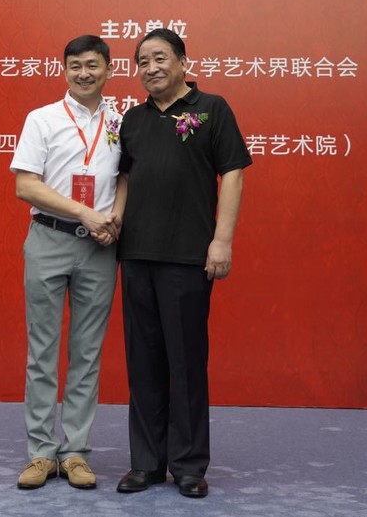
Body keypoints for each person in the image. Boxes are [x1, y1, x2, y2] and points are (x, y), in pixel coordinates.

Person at [113, 28, 251, 499]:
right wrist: (115, 222)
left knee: (186, 363)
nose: (150, 68)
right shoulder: (132, 119)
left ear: (183, 62)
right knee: (143, 362)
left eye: (160, 58)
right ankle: (146, 463)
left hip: (188, 257)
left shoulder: (212, 108)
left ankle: (189, 465)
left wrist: (222, 240)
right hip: (135, 255)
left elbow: (232, 174)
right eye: (142, 61)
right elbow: (124, 179)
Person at [9, 35, 124, 491]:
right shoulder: (42, 118)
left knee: (87, 353)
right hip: (49, 240)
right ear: (64, 70)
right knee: (42, 351)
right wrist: (84, 212)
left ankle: (75, 452)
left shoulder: (120, 121)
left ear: (109, 69)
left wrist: (115, 218)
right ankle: (40, 452)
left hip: (100, 247)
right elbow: (26, 186)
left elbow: (126, 178)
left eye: (92, 65)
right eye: (74, 66)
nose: (83, 73)